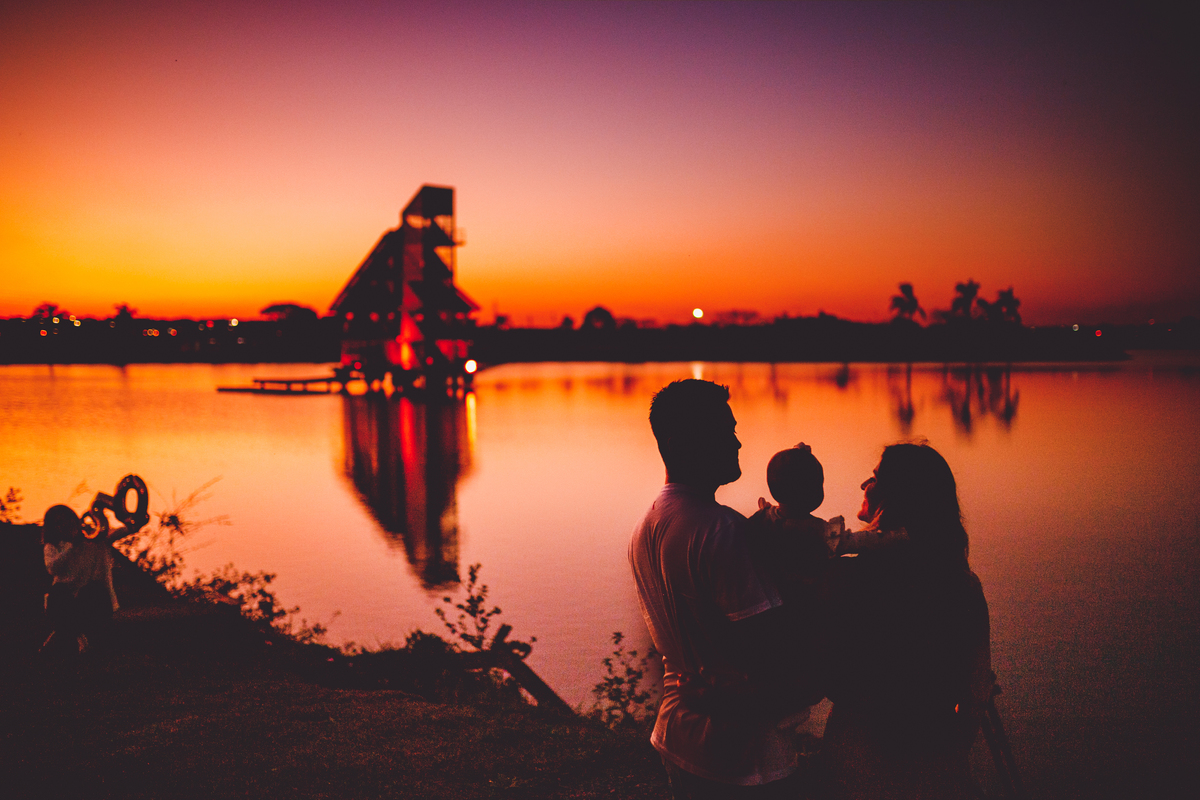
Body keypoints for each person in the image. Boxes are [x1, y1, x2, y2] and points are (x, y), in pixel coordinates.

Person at [629, 379, 816, 799]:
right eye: (723, 432)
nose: (737, 443)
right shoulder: (720, 529)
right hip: (741, 757)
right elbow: (769, 646)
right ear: (680, 444)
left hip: (678, 732)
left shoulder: (648, 524)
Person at [820, 443, 992, 800]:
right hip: (935, 750)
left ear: (898, 496)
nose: (865, 483)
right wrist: (951, 752)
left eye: (877, 477)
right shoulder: (962, 584)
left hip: (857, 748)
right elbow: (976, 689)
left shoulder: (843, 578)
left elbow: (821, 671)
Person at [41, 503, 145, 655]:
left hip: (93, 600)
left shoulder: (95, 539)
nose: (65, 526)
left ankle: (67, 637)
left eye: (68, 521)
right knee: (59, 592)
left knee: (92, 590)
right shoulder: (53, 547)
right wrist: (71, 547)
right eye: (59, 523)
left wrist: (135, 523)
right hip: (65, 601)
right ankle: (78, 637)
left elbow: (120, 532)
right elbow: (53, 568)